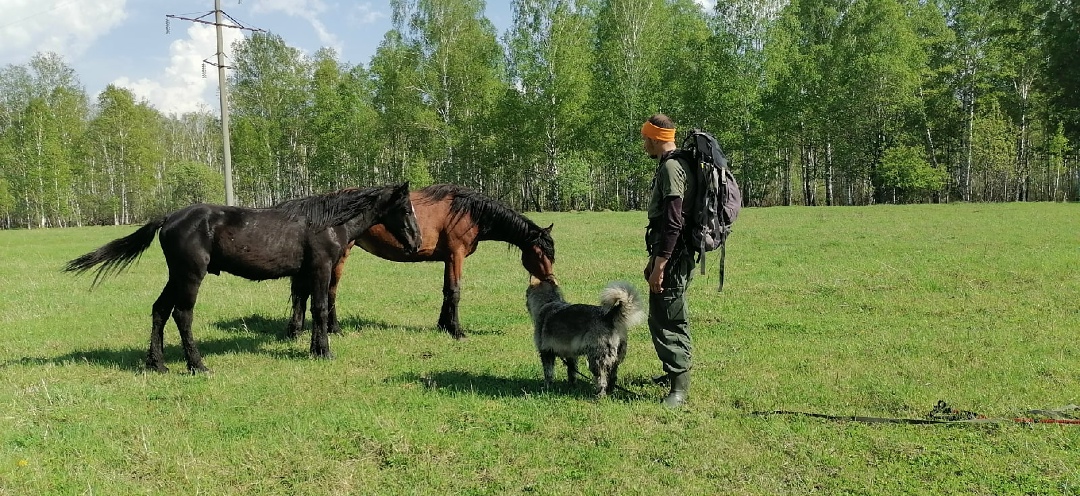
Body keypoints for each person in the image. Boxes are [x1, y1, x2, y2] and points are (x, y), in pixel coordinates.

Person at [641, 113, 698, 408]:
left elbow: (674, 222)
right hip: (670, 252)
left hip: (674, 255)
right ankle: (672, 372)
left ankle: (679, 389)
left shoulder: (671, 168)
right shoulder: (678, 163)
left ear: (654, 139)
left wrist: (661, 265)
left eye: (645, 139)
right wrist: (654, 258)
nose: (644, 145)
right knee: (665, 313)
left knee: (669, 317)